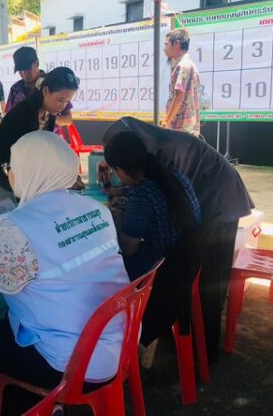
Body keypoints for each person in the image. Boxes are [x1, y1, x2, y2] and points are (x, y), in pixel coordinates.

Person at [0, 131, 130, 414]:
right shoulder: (95, 209)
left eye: (12, 167)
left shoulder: (17, 228)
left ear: (31, 170)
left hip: (72, 365)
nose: (10, 174)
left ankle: (30, 408)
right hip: (120, 345)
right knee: (6, 321)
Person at [103, 117, 255, 363]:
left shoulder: (167, 151)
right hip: (184, 251)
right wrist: (124, 191)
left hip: (218, 205)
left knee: (211, 284)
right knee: (207, 285)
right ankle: (189, 342)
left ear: (121, 167)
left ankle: (196, 349)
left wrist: (115, 222)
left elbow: (130, 246)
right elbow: (162, 188)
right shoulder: (170, 170)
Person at [104, 132, 200, 281]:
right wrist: (121, 192)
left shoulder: (141, 195)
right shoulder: (175, 176)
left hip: (161, 271)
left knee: (106, 265)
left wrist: (114, 219)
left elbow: (129, 248)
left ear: (120, 170)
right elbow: (158, 193)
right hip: (190, 260)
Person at [0, 66, 80, 203]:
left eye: (67, 101)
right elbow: (21, 158)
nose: (63, 107)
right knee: (5, 215)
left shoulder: (49, 114)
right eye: (60, 100)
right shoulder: (24, 114)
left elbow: (42, 154)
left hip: (20, 176)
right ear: (46, 91)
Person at [6, 46, 73, 128]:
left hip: (48, 135)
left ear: (37, 63)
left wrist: (48, 118)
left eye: (28, 69)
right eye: (20, 70)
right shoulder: (15, 89)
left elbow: (68, 119)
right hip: (24, 136)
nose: (24, 74)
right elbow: (9, 117)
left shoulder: (53, 84)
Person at [163, 28, 201, 136]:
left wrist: (166, 122)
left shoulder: (183, 66)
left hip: (180, 129)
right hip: (188, 128)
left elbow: (179, 96)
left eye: (166, 44)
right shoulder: (190, 64)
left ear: (176, 44)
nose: (164, 49)